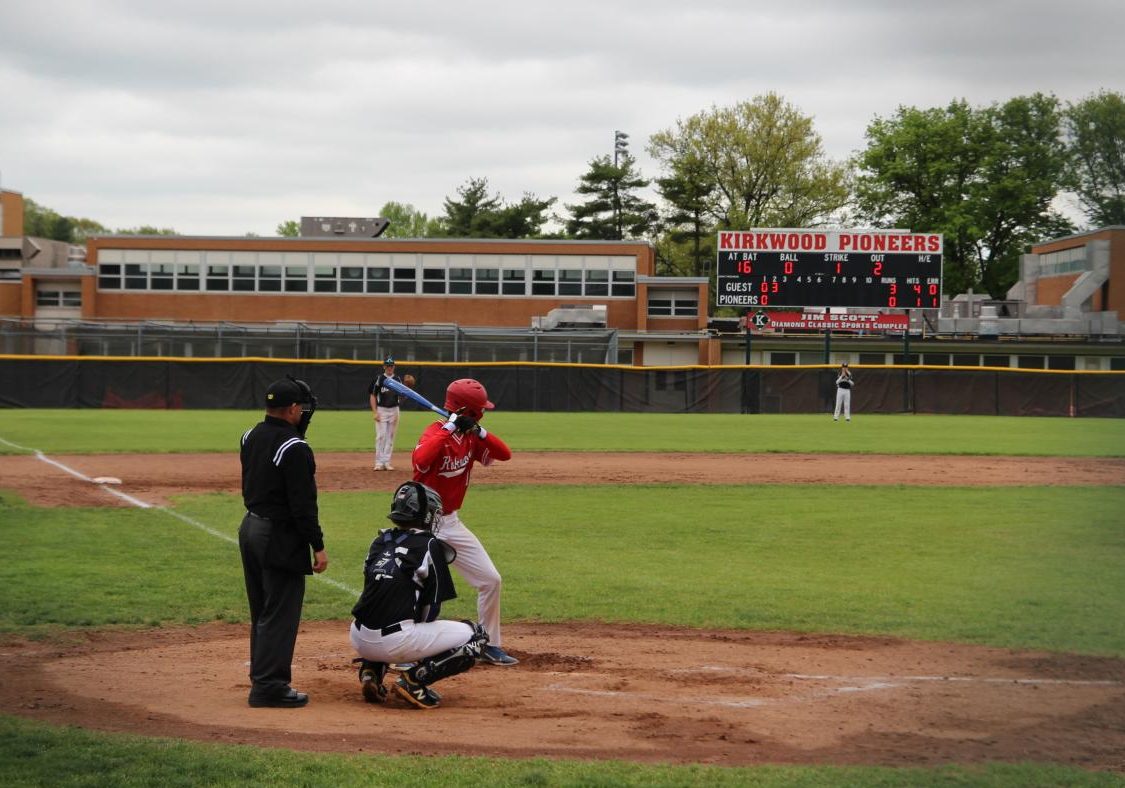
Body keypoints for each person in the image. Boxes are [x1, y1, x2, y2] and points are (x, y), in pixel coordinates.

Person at [350, 481, 489, 709]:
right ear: (424, 515)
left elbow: (372, 590)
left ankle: (371, 670)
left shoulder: (379, 541)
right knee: (478, 636)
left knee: (385, 610)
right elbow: (430, 611)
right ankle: (414, 681)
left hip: (358, 637)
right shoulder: (429, 545)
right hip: (395, 643)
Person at [411, 378, 517, 666]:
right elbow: (421, 459)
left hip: (451, 522)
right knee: (417, 587)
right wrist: (448, 428)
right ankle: (407, 649)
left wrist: (479, 431)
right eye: (479, 411)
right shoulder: (435, 432)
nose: (483, 413)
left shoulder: (471, 437)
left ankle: (490, 645)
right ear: (468, 409)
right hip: (421, 526)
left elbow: (504, 454)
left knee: (490, 580)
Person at [238, 376, 328, 708]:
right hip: (278, 535)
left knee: (262, 608)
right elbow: (303, 505)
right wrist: (317, 545)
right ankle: (270, 687)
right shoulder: (294, 448)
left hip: (250, 527)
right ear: (291, 409)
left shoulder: (250, 435)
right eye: (300, 408)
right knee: (280, 612)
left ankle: (261, 677)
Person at [368, 356, 402, 471]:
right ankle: (378, 462)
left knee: (390, 437)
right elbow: (372, 395)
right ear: (384, 367)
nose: (389, 368)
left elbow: (400, 398)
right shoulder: (379, 379)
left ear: (394, 367)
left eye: (391, 365)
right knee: (381, 436)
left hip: (394, 410)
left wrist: (408, 389)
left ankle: (387, 462)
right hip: (381, 410)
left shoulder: (397, 379)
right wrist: (375, 412)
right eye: (387, 365)